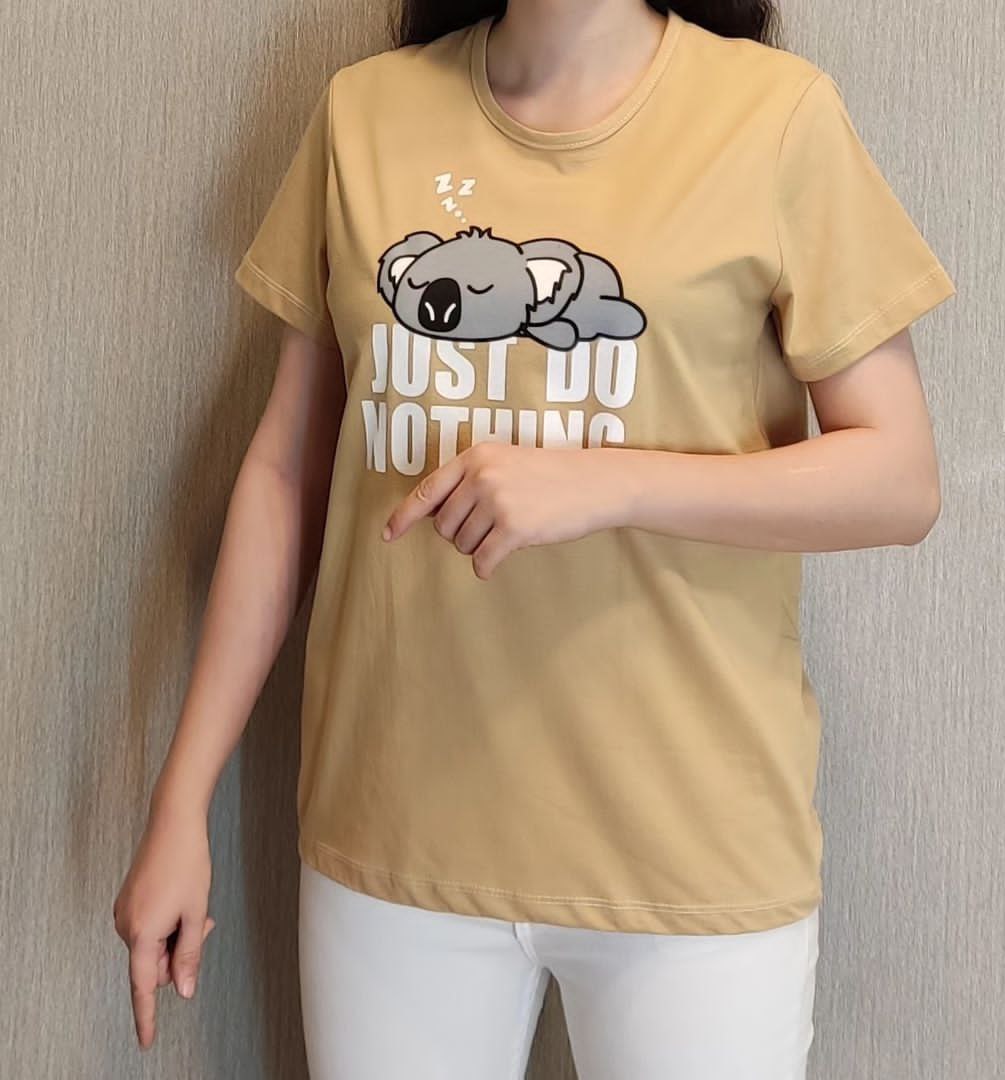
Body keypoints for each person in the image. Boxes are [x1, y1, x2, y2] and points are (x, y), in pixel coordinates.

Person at [113, 0, 957, 1076]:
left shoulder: (777, 117)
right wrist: (181, 798)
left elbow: (899, 478)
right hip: (395, 838)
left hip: (686, 847)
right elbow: (285, 475)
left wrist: (609, 482)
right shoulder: (363, 115)